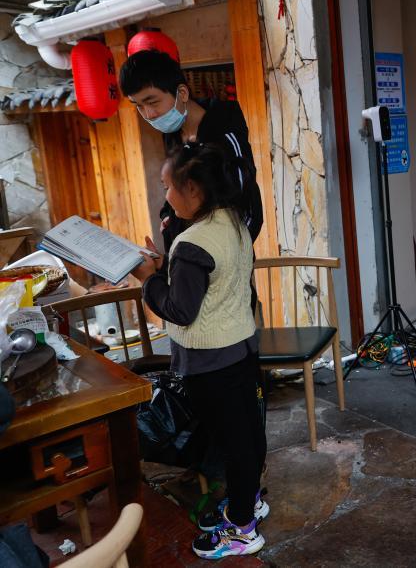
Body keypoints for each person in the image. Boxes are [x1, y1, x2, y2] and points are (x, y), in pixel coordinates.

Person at [131, 143, 267, 559]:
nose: (165, 196)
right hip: (241, 349)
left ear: (193, 189)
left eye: (168, 187)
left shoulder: (192, 245)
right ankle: (250, 502)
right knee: (248, 434)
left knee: (233, 443)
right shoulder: (233, 222)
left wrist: (149, 278)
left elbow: (179, 311)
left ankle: (242, 528)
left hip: (210, 362)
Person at [119, 49, 263, 253]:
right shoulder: (172, 134)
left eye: (152, 102)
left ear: (182, 93)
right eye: (139, 106)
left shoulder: (224, 128)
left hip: (222, 258)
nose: (148, 114)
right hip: (188, 257)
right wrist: (168, 216)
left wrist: (228, 258)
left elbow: (248, 205)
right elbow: (175, 188)